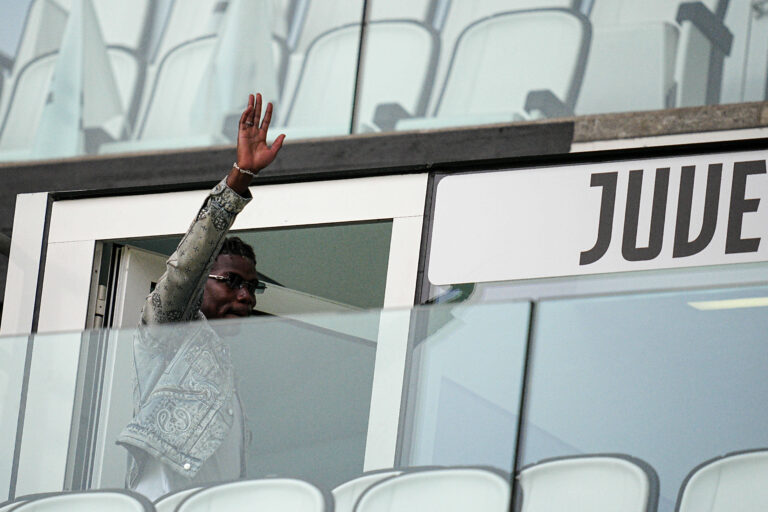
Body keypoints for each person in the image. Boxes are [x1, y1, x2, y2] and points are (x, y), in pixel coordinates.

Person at [116, 93, 285, 500]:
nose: (246, 297)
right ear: (203, 282)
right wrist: (240, 177)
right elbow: (185, 269)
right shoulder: (168, 334)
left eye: (252, 286)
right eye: (232, 281)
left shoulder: (224, 367)